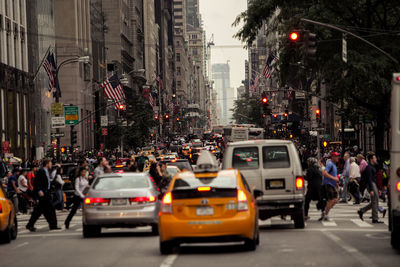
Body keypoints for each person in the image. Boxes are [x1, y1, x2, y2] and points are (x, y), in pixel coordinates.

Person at [26, 159, 61, 231]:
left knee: (41, 210)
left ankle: (30, 224)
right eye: (50, 163)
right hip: (43, 193)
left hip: (46, 193)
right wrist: (39, 191)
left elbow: (52, 177)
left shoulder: (46, 171)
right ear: (47, 164)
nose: (51, 164)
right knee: (50, 209)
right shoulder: (41, 171)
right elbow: (36, 182)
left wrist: (57, 168)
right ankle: (53, 225)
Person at [357, 153, 384, 223]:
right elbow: (369, 179)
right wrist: (371, 189)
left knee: (375, 201)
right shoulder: (369, 167)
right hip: (371, 184)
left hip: (373, 184)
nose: (376, 159)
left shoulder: (373, 166)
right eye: (374, 158)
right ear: (371, 159)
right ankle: (375, 218)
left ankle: (362, 211)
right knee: (375, 201)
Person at [319, 152, 340, 221]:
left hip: (332, 184)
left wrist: (336, 182)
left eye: (338, 156)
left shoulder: (333, 165)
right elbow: (324, 173)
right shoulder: (330, 164)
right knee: (331, 200)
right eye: (336, 156)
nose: (337, 158)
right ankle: (326, 215)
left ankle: (325, 212)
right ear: (332, 157)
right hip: (328, 184)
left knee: (335, 200)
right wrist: (334, 178)